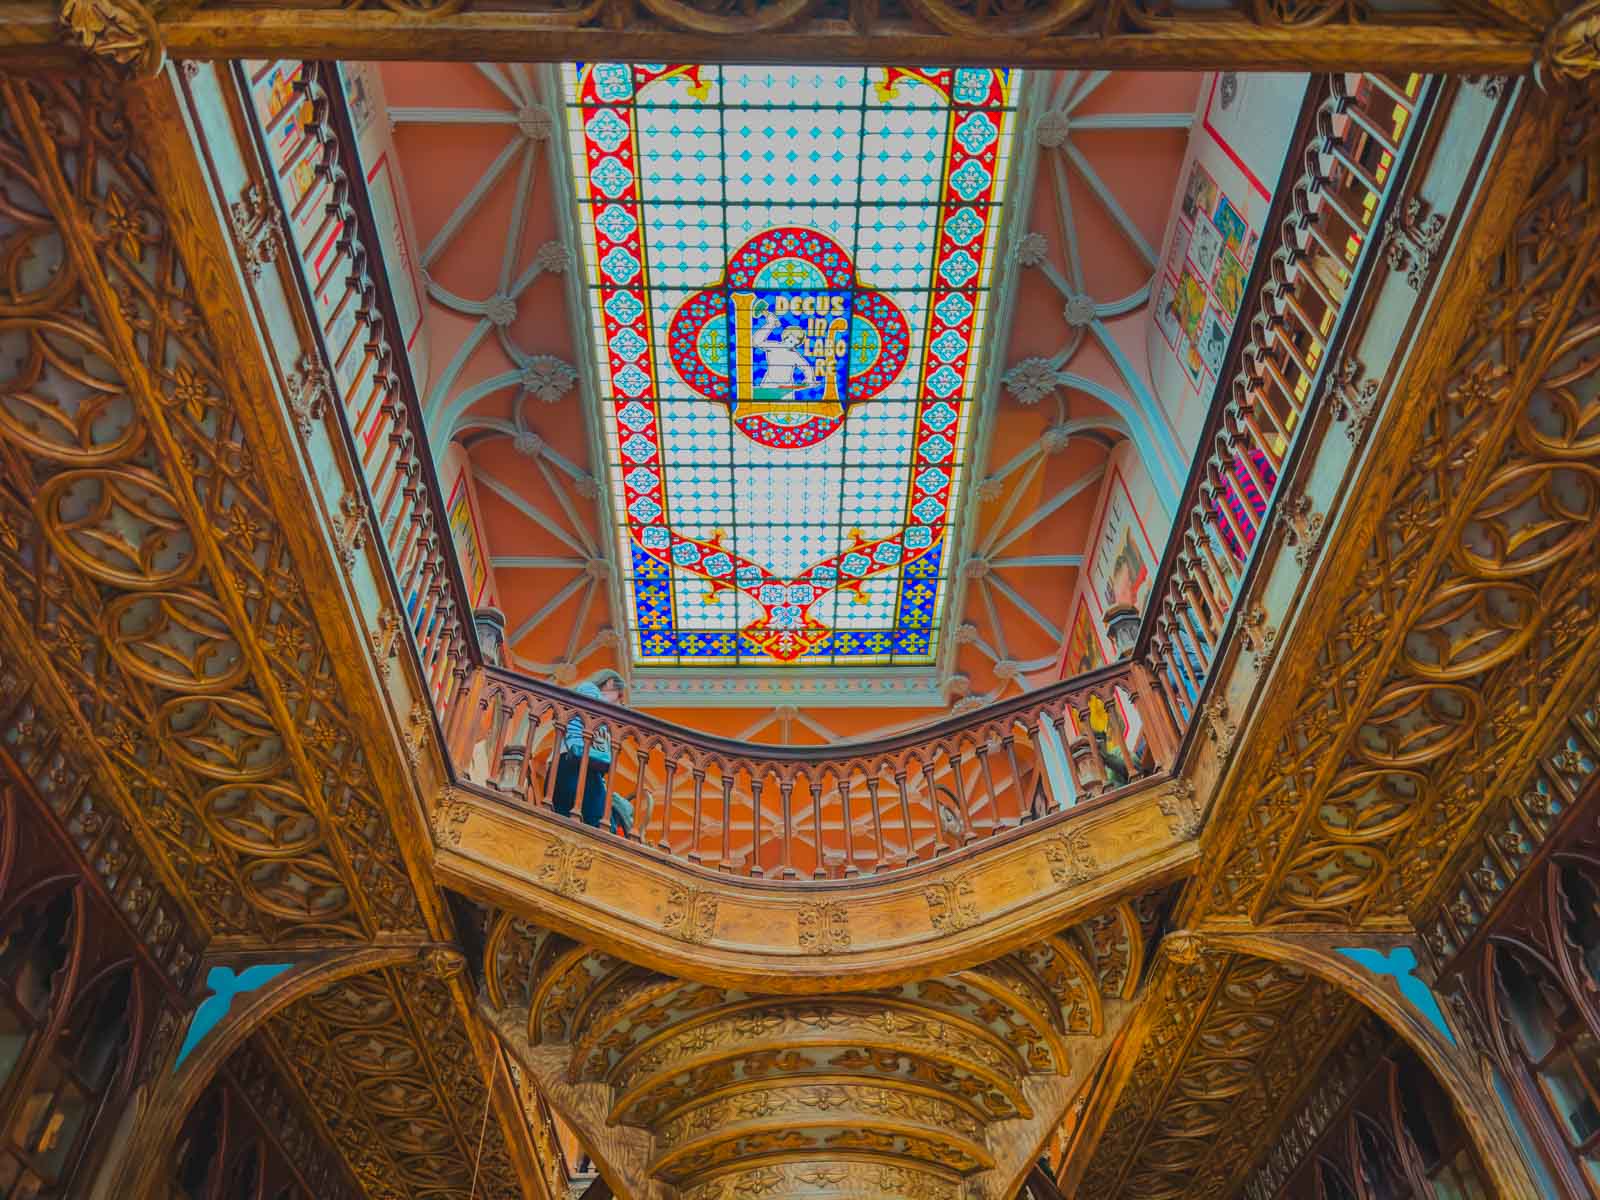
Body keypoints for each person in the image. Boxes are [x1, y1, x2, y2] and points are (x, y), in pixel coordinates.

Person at [551, 670, 626, 830]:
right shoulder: (589, 689)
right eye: (619, 696)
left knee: (568, 820)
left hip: (574, 764)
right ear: (610, 683)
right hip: (574, 761)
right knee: (604, 823)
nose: (618, 703)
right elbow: (596, 713)